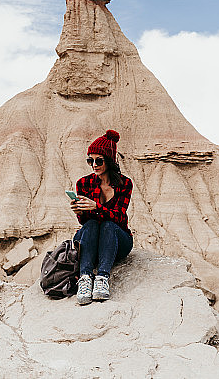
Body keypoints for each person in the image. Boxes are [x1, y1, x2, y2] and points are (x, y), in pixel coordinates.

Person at [70, 129, 133, 305]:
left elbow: (119, 217)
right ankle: (85, 278)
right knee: (90, 224)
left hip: (117, 241)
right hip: (92, 240)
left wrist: (97, 207)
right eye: (90, 160)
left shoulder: (125, 184)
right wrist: (80, 212)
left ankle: (102, 277)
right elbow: (85, 222)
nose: (94, 165)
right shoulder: (84, 183)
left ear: (110, 161)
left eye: (99, 160)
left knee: (108, 224)